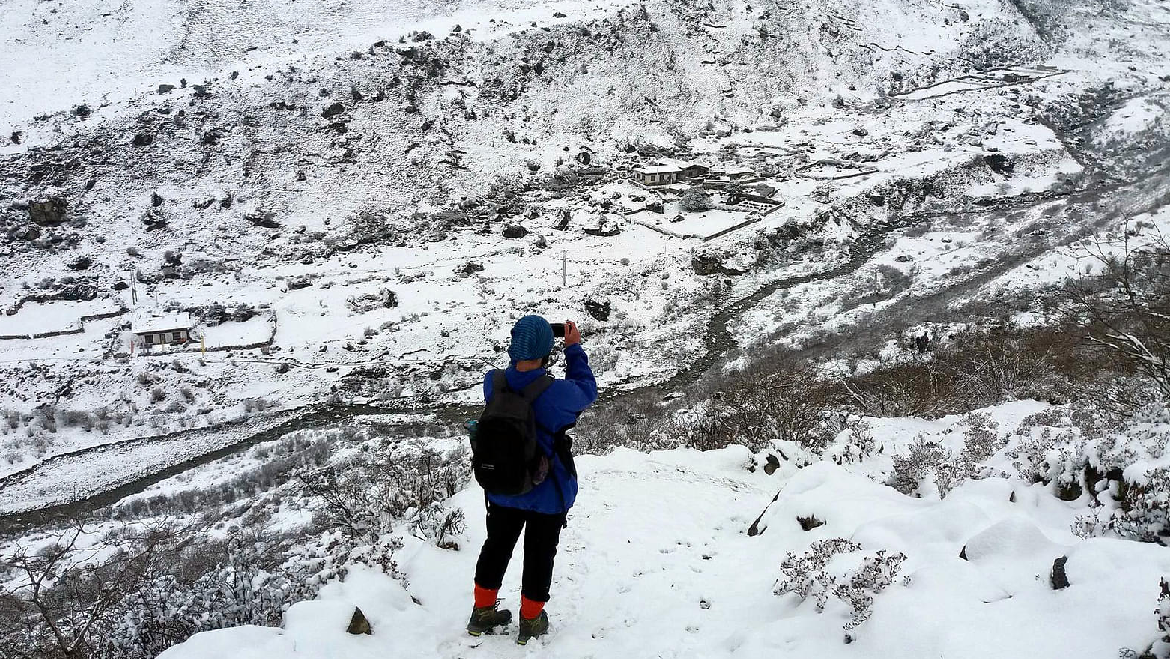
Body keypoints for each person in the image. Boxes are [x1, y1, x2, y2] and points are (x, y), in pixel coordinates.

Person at [467, 315, 598, 644]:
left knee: (496, 547)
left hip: (502, 487)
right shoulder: (557, 394)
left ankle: (482, 613)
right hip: (545, 492)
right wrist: (573, 349)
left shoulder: (492, 383)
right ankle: (530, 620)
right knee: (540, 554)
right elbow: (587, 390)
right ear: (545, 351)